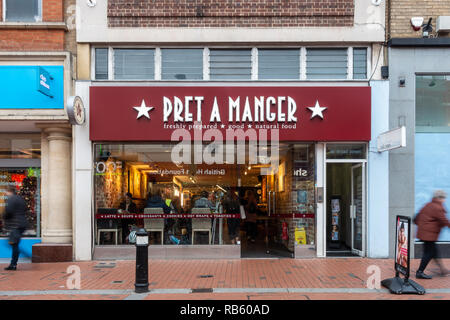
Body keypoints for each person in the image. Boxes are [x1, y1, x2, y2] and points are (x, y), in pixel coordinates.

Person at [414, 190, 450, 279]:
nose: (444, 200)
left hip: (424, 233)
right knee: (429, 253)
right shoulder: (437, 207)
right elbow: (443, 220)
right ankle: (420, 272)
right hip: (429, 235)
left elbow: (416, 217)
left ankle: (443, 269)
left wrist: (422, 226)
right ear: (440, 198)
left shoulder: (428, 205)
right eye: (443, 198)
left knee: (434, 251)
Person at [3, 186, 28, 271]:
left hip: (15, 225)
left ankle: (14, 264)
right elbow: (25, 209)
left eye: (6, 192)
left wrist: (4, 217)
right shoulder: (20, 199)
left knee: (13, 244)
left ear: (9, 191)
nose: (5, 194)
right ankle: (13, 263)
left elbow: (8, 211)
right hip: (22, 224)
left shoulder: (11, 199)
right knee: (14, 244)